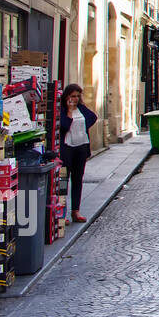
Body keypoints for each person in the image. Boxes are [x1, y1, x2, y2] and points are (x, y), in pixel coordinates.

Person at [58, 84, 97, 223]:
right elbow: (63, 126)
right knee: (63, 180)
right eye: (72, 96)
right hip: (67, 148)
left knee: (78, 179)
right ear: (66, 96)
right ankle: (61, 213)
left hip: (81, 147)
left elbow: (93, 117)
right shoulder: (62, 110)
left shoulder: (81, 109)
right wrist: (69, 111)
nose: (75, 99)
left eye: (77, 96)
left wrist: (81, 129)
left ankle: (76, 210)